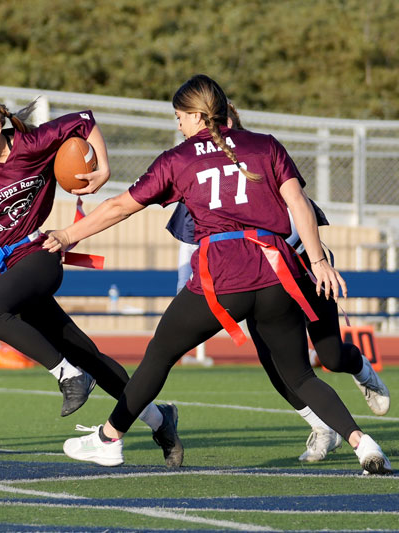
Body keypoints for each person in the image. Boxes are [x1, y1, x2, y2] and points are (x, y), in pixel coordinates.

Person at [45, 74, 392, 474]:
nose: (178, 124)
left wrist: (69, 233)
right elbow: (297, 201)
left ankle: (108, 439)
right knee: (299, 374)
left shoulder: (180, 158)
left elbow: (121, 206)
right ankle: (363, 444)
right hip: (279, 273)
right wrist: (318, 261)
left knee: (159, 354)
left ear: (195, 114)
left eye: (179, 116)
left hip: (225, 275)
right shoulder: (265, 144)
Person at [0, 91, 184, 467]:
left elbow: (84, 120)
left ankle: (68, 376)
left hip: (39, 253)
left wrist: (104, 168)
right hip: (1, 271)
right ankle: (159, 419)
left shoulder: (32, 142)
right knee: (89, 355)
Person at [166, 102, 390, 463]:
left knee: (330, 356)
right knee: (279, 368)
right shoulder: (200, 174)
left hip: (302, 269)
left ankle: (361, 369)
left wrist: (319, 263)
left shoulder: (262, 159)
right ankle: (321, 427)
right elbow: (192, 239)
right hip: (259, 277)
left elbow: (301, 214)